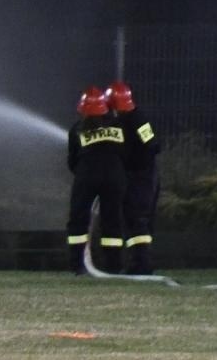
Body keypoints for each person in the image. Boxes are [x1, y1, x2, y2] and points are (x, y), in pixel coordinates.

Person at [65, 85, 127, 274]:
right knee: (112, 221)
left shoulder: (77, 129)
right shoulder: (118, 127)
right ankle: (114, 266)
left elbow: (72, 161)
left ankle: (77, 266)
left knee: (78, 220)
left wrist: (85, 175)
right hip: (114, 178)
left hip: (86, 177)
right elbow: (125, 154)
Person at [106, 80, 161, 275]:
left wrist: (132, 160)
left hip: (142, 177)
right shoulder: (122, 120)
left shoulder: (138, 119)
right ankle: (137, 263)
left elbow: (153, 146)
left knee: (137, 219)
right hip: (134, 177)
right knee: (132, 219)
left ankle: (142, 265)